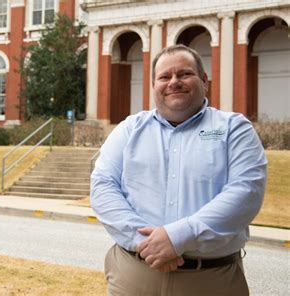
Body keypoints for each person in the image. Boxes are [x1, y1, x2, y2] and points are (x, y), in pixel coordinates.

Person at [90, 44, 267, 296]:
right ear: (154, 85)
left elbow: (246, 191)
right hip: (134, 275)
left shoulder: (233, 129)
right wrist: (148, 245)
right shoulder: (129, 130)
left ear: (204, 81)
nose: (174, 82)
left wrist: (178, 237)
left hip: (210, 281)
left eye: (184, 74)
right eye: (164, 76)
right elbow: (103, 185)